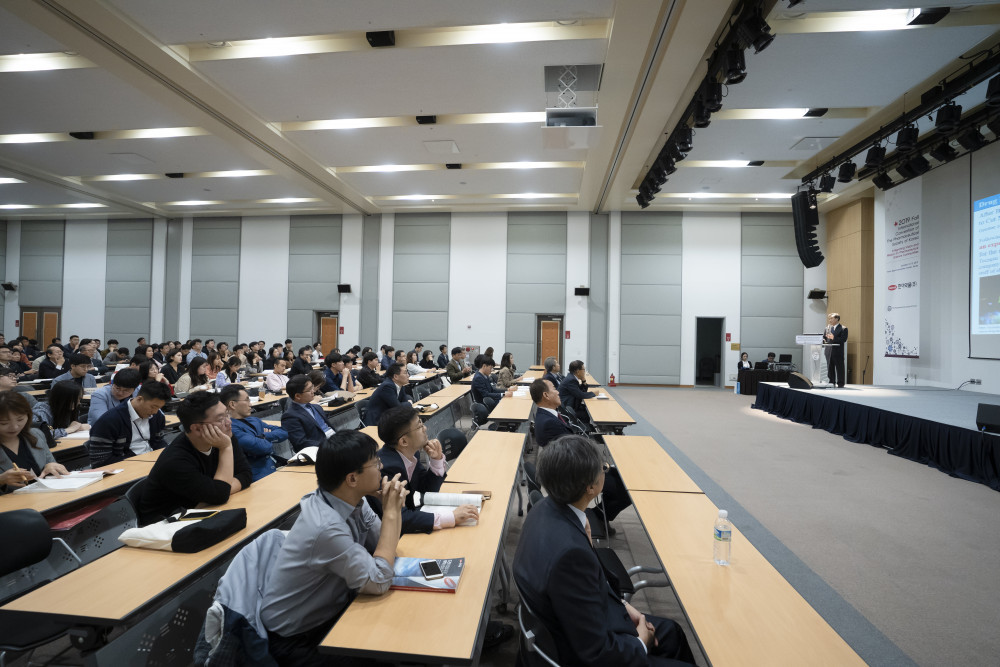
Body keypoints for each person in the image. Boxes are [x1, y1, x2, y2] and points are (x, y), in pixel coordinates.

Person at [512, 434, 694, 666]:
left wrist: (623, 605)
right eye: (603, 468)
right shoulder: (570, 554)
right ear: (591, 487)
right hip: (580, 652)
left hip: (570, 620)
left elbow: (582, 589)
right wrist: (640, 642)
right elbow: (598, 652)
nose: (605, 471)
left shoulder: (542, 509)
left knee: (672, 632)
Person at [260, 430, 407, 665]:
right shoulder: (325, 527)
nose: (381, 467)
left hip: (331, 612)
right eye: (375, 463)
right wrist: (391, 512)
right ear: (352, 479)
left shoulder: (352, 499)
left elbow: (385, 545)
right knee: (389, 653)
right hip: (298, 638)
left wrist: (393, 508)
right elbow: (379, 579)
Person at [529, 378, 630, 538]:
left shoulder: (547, 415)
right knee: (626, 488)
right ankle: (601, 517)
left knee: (619, 478)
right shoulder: (549, 422)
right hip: (573, 475)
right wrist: (599, 466)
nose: (558, 392)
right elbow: (572, 454)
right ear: (546, 395)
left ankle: (599, 515)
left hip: (571, 466)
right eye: (554, 389)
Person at [136, 391, 252, 523]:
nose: (229, 422)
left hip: (200, 513)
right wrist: (225, 448)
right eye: (220, 419)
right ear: (197, 428)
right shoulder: (175, 461)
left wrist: (220, 490)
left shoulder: (223, 436)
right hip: (166, 525)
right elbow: (220, 495)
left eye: (227, 414)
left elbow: (245, 474)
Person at [368, 406, 478, 534]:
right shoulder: (385, 469)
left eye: (421, 423)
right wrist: (451, 517)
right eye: (419, 426)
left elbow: (426, 490)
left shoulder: (411, 453)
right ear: (404, 441)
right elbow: (400, 518)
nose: (425, 428)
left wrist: (436, 460)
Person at [88, 380, 170, 467]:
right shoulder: (110, 420)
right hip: (126, 466)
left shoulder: (157, 416)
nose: (155, 412)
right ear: (139, 399)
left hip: (151, 461)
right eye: (153, 407)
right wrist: (138, 461)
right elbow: (100, 460)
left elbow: (158, 441)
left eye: (159, 408)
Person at [0, 392, 69, 493]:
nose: (14, 427)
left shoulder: (36, 435)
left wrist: (51, 466)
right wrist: (1, 480)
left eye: (20, 419)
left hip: (45, 495)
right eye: (4, 423)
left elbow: (51, 463)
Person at [221, 384, 288, 482]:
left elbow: (284, 432)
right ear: (232, 404)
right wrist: (264, 439)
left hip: (274, 467)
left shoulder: (254, 420)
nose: (251, 404)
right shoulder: (229, 428)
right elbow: (262, 447)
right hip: (257, 477)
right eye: (247, 400)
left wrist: (263, 436)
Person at [281, 375, 335, 452]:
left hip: (333, 440)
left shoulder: (317, 407)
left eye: (312, 387)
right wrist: (329, 445)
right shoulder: (290, 416)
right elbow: (301, 443)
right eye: (309, 390)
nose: (313, 391)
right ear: (298, 396)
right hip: (320, 449)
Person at [825, 312, 848, 388]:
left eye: (831, 318)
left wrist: (834, 338)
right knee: (830, 368)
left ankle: (840, 383)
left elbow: (843, 339)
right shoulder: (827, 328)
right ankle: (831, 382)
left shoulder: (843, 328)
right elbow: (824, 338)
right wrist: (823, 340)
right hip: (829, 351)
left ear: (837, 319)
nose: (830, 320)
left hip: (838, 352)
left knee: (840, 368)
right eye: (829, 319)